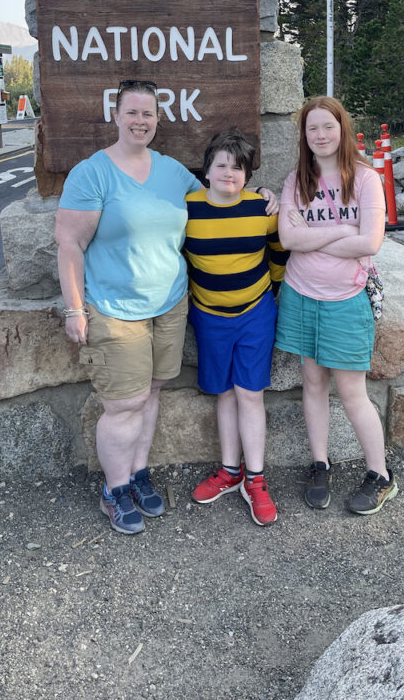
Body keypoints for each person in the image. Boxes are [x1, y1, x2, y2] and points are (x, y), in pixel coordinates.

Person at [56, 81, 276, 535]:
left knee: (152, 391)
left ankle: (138, 474)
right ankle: (114, 489)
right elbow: (69, 243)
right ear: (115, 115)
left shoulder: (174, 173)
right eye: (132, 112)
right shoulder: (92, 173)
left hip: (171, 306)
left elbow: (221, 194)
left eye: (148, 114)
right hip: (115, 310)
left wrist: (266, 196)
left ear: (158, 119)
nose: (140, 121)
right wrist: (74, 309)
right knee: (124, 404)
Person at [275, 96, 398, 516]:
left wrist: (316, 231)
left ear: (342, 129)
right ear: (304, 136)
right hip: (301, 293)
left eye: (328, 126)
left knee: (351, 392)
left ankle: (380, 474)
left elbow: (370, 242)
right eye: (312, 129)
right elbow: (289, 240)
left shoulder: (363, 179)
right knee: (312, 382)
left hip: (346, 299)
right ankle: (320, 464)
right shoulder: (296, 181)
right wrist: (342, 228)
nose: (321, 135)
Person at [184, 129, 287, 526]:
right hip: (209, 316)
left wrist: (273, 292)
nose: (229, 173)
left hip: (255, 313)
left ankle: (256, 480)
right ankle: (230, 471)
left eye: (238, 167)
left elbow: (279, 251)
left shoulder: (261, 209)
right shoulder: (188, 209)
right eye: (221, 165)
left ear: (247, 174)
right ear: (207, 171)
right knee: (224, 393)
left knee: (250, 394)